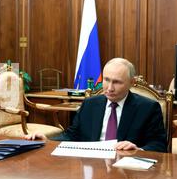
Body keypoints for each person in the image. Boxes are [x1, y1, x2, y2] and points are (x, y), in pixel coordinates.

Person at [25, 58, 167, 152]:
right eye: (106, 80)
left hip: (127, 171)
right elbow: (71, 136)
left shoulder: (148, 108)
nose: (109, 88)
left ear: (132, 83)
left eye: (117, 82)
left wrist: (138, 150)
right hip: (92, 167)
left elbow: (159, 146)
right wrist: (48, 141)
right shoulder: (90, 104)